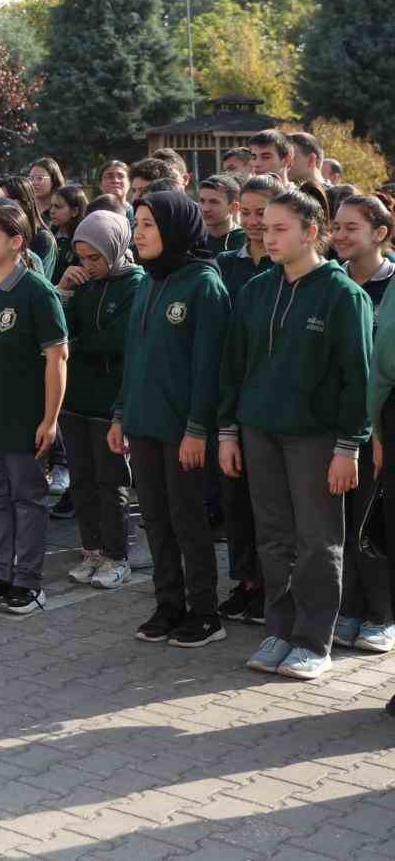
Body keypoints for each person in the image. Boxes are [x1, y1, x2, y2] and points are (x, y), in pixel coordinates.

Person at [221, 190, 372, 680]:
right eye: (264, 227)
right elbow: (233, 369)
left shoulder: (342, 294)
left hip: (316, 438)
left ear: (311, 232)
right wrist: (228, 431)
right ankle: (280, 630)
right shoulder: (256, 291)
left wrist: (349, 446)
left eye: (280, 228)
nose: (268, 236)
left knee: (318, 539)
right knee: (273, 538)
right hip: (259, 431)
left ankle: (313, 641)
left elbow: (359, 378)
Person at [110, 191, 230, 646]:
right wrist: (120, 413)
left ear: (175, 230)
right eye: (136, 224)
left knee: (187, 520)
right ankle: (168, 604)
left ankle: (205, 612)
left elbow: (209, 369)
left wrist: (198, 429)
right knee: (155, 520)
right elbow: (134, 357)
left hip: (183, 431)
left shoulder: (204, 285)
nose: (137, 234)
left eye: (147, 225)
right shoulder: (148, 281)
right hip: (143, 425)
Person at [0, 205, 68, 615]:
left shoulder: (37, 291)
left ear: (17, 241)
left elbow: (58, 357)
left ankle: (29, 581)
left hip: (23, 416)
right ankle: (1, 572)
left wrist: (50, 419)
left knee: (28, 498)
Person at [55, 209, 145, 591]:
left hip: (111, 405)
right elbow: (56, 334)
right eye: (82, 258)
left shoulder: (137, 284)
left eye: (96, 258)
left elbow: (119, 342)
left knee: (113, 484)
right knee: (83, 483)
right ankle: (91, 549)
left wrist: (77, 346)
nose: (88, 266)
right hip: (75, 401)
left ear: (116, 248)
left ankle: (117, 555)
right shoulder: (82, 285)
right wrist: (62, 292)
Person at [213, 173, 284, 624]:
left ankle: (273, 586)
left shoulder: (284, 266)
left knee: (270, 505)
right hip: (231, 389)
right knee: (235, 497)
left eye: (266, 214)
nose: (257, 223)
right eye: (251, 212)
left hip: (272, 396)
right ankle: (245, 581)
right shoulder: (225, 264)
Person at [332, 194, 395, 654]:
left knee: (377, 521)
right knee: (343, 521)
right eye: (336, 226)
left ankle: (382, 614)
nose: (340, 235)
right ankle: (350, 607)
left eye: (351, 227)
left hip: (380, 426)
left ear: (380, 233)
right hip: (336, 425)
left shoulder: (390, 286)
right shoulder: (331, 283)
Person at [47, 184, 88, 286]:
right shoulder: (48, 235)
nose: (52, 211)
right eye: (51, 206)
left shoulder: (83, 241)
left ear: (74, 211)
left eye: (58, 207)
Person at [198, 175, 245, 255]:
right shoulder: (193, 239)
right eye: (202, 201)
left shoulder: (245, 240)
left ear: (234, 207)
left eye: (214, 202)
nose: (205, 209)